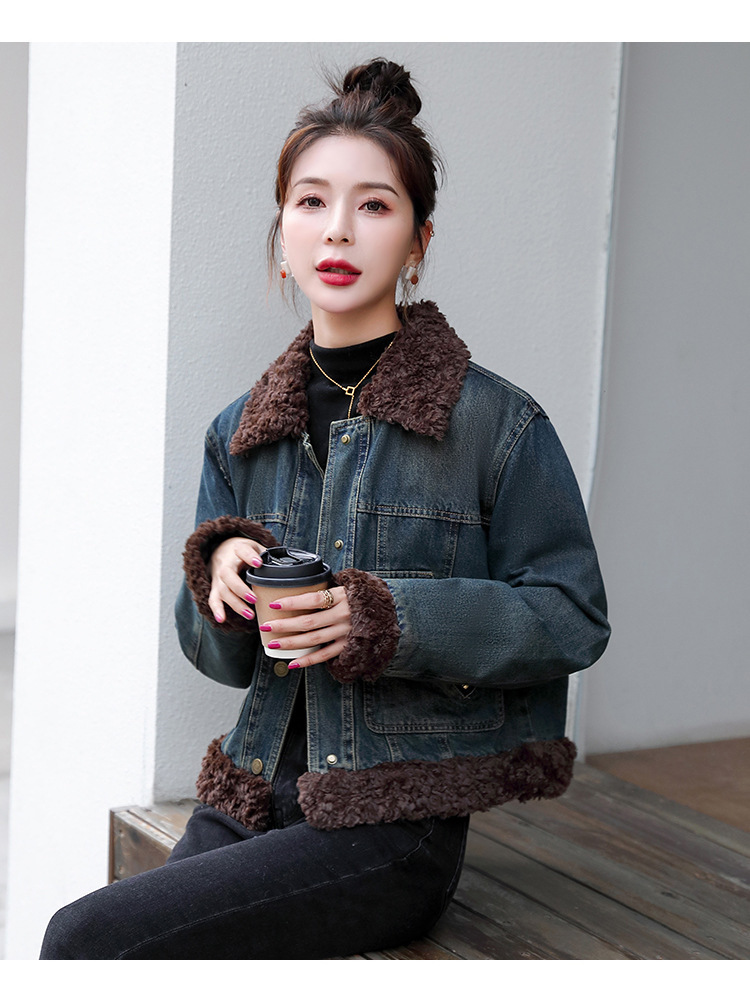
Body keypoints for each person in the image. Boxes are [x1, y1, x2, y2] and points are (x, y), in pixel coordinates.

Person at [40, 58, 609, 960]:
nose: (337, 227)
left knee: (83, 940)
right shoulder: (239, 432)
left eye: (374, 205)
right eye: (311, 201)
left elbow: (571, 614)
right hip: (253, 790)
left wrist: (383, 617)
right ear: (283, 233)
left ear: (418, 240)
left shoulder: (495, 424)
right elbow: (218, 659)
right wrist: (219, 577)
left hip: (392, 819)